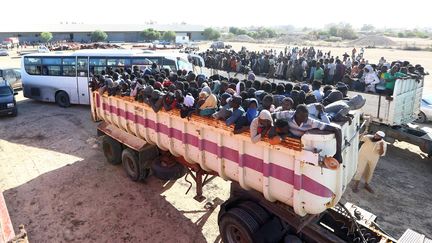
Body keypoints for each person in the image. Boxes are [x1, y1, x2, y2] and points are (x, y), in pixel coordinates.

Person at [273, 105, 343, 162]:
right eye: (303, 116)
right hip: (288, 140)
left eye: (307, 116)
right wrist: (273, 129)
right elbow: (271, 115)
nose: (306, 118)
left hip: (302, 145)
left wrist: (338, 153)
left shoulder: (311, 122)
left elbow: (337, 129)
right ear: (296, 114)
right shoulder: (287, 114)